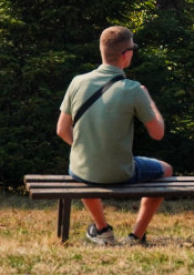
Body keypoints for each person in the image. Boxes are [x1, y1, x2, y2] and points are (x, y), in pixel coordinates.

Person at [56, 25, 173, 246]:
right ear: (126, 54)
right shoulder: (133, 89)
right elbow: (158, 133)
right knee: (166, 170)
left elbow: (62, 130)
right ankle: (136, 236)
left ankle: (102, 229)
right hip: (121, 172)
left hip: (82, 168)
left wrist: (84, 149)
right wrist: (150, 101)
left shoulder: (77, 82)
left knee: (81, 167)